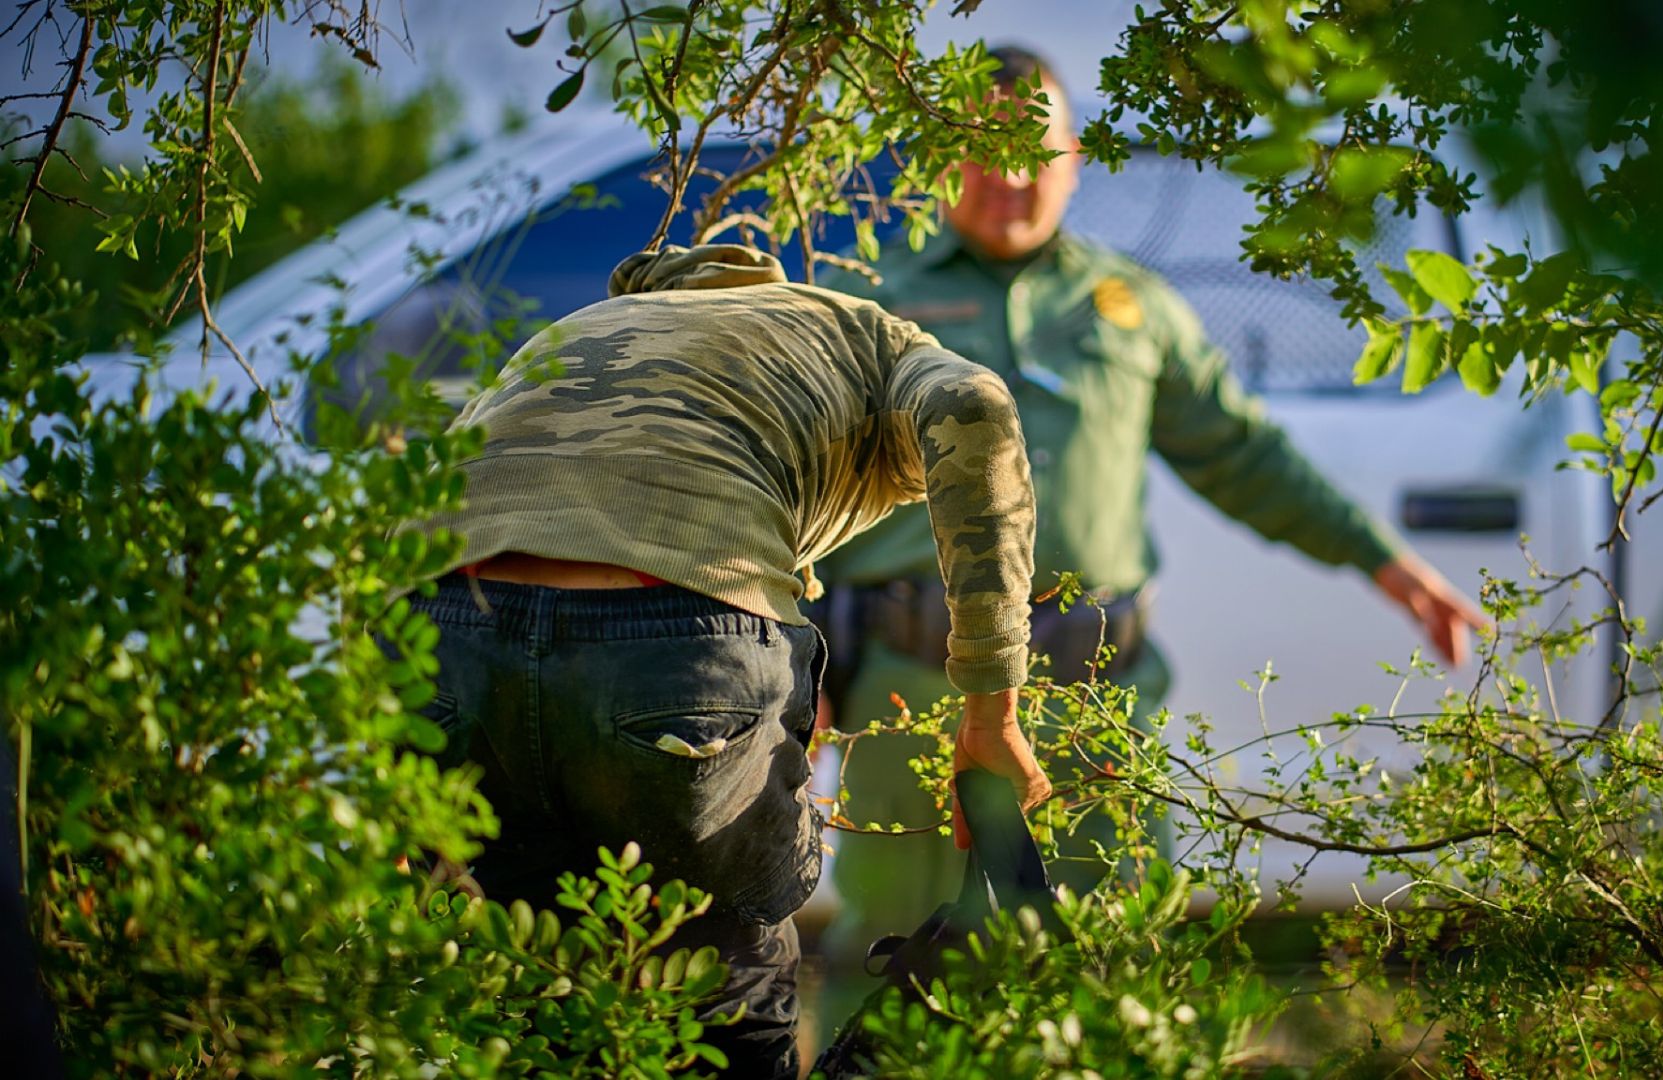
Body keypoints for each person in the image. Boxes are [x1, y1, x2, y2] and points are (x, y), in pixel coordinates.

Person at [813, 46, 1486, 967]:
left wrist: (1388, 563)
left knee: (1114, 966)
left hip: (1098, 697)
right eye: (981, 146)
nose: (1011, 175)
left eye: (1033, 148)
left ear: (1074, 157)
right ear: (938, 154)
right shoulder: (866, 302)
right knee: (896, 967)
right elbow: (796, 493)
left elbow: (1242, 455)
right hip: (915, 689)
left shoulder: (1130, 304)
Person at [410, 243, 1050, 1079]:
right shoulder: (861, 333)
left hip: (442, 637)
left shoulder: (578, 331)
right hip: (664, 644)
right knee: (722, 1021)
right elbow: (973, 402)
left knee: (537, 1012)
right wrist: (990, 711)